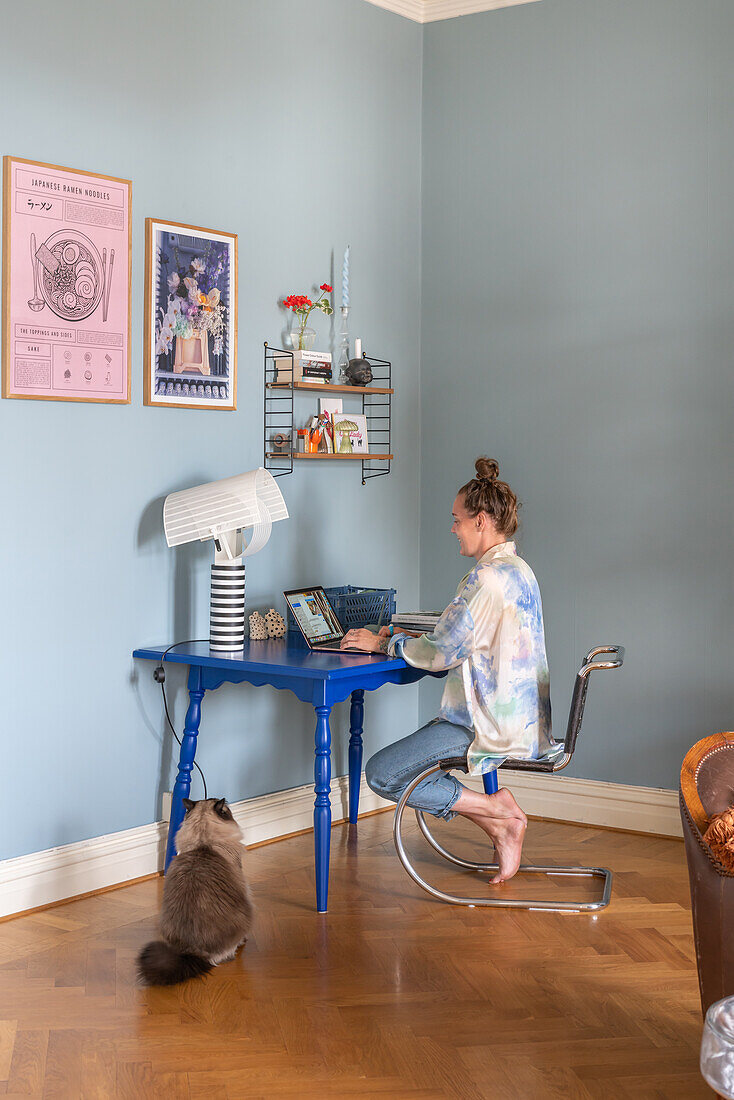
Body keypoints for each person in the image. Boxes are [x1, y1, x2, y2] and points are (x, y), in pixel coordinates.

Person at [340, 457, 554, 882]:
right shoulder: (518, 571)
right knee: (402, 766)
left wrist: (382, 642)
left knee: (381, 775)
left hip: (482, 725)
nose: (453, 528)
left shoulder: (484, 580)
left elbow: (441, 654)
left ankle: (497, 813)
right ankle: (497, 817)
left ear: (481, 521)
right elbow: (462, 634)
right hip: (522, 720)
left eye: (457, 520)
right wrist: (412, 631)